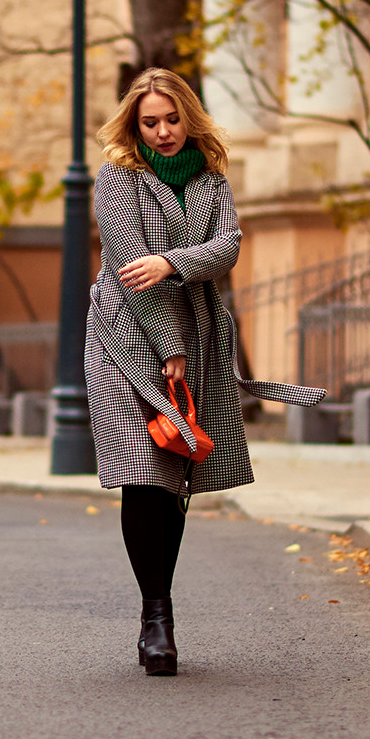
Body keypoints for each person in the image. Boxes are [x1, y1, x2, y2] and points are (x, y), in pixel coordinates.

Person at [86, 67, 251, 677]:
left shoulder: (211, 179)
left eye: (171, 119)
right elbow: (132, 270)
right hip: (125, 339)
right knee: (145, 469)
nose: (162, 132)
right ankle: (156, 616)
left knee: (178, 471)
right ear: (134, 124)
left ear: (190, 116)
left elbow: (229, 248)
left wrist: (171, 261)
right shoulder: (117, 179)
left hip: (200, 334)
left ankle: (162, 607)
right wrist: (168, 348)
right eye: (149, 122)